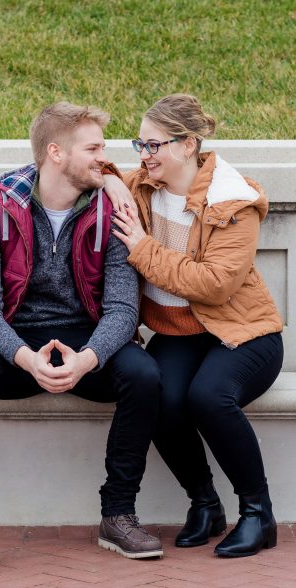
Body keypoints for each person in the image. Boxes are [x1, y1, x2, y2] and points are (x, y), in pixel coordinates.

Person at [0, 102, 163, 575]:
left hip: (89, 341)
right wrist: (25, 358)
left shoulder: (112, 211)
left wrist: (88, 359)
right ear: (56, 152)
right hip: (18, 343)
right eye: (94, 149)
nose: (104, 159)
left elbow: (124, 311)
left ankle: (118, 514)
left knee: (144, 375)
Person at [104, 93, 285, 558]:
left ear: (187, 145)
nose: (143, 157)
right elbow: (95, 174)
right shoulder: (143, 186)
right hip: (180, 333)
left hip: (243, 333)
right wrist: (108, 182)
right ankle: (204, 504)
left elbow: (215, 284)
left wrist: (142, 247)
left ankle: (257, 513)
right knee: (156, 394)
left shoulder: (232, 201)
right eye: (139, 146)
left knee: (208, 396)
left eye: (153, 146)